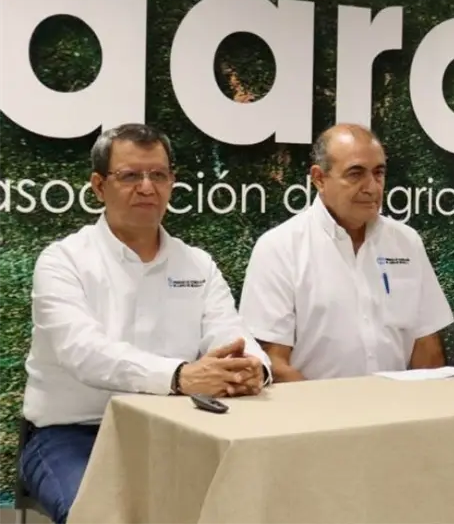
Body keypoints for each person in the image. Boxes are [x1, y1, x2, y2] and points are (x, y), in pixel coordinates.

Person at [20, 124, 270, 524]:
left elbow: (229, 332)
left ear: (172, 182)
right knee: (105, 518)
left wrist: (253, 367)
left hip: (181, 427)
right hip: (74, 434)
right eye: (130, 176)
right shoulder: (63, 261)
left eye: (158, 175)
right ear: (99, 186)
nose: (147, 188)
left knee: (253, 506)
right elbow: (83, 352)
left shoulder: (198, 264)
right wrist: (179, 376)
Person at [240, 124, 453, 381]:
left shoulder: (406, 242)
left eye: (378, 173)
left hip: (399, 403)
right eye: (355, 174)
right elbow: (272, 362)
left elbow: (427, 345)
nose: (372, 187)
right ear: (319, 178)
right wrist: (328, 406)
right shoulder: (279, 248)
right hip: (314, 404)